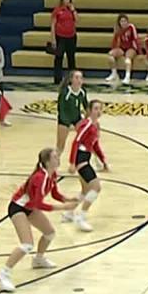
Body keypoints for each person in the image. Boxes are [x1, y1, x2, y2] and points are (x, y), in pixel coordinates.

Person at [0, 148, 79, 292]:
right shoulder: (39, 178)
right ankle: (3, 273)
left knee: (50, 233)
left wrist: (68, 199)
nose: (58, 158)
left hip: (30, 207)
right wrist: (64, 207)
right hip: (18, 208)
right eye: (54, 157)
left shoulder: (51, 174)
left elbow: (54, 193)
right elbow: (38, 204)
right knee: (27, 244)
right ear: (47, 161)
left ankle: (38, 259)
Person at [65, 100, 108, 233]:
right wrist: (72, 163)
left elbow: (95, 145)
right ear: (89, 110)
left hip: (86, 158)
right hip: (81, 159)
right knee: (96, 187)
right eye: (95, 108)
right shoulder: (87, 124)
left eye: (100, 109)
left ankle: (69, 213)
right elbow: (76, 142)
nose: (98, 111)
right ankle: (81, 217)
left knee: (85, 190)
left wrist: (103, 160)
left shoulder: (96, 125)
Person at [50, 0, 78, 84]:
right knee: (59, 58)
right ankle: (57, 79)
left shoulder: (71, 10)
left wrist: (73, 10)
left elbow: (77, 20)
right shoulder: (57, 10)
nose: (68, 1)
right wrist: (53, 38)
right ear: (62, 0)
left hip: (71, 37)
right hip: (60, 37)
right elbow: (53, 25)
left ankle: (72, 79)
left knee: (71, 58)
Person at [105, 14, 138, 84]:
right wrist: (114, 49)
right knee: (110, 56)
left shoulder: (131, 27)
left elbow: (135, 39)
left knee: (127, 60)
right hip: (122, 47)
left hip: (131, 47)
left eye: (125, 21)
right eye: (122, 21)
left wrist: (139, 51)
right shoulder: (118, 29)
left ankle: (127, 77)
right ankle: (114, 74)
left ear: (127, 21)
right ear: (119, 22)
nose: (123, 23)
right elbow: (115, 41)